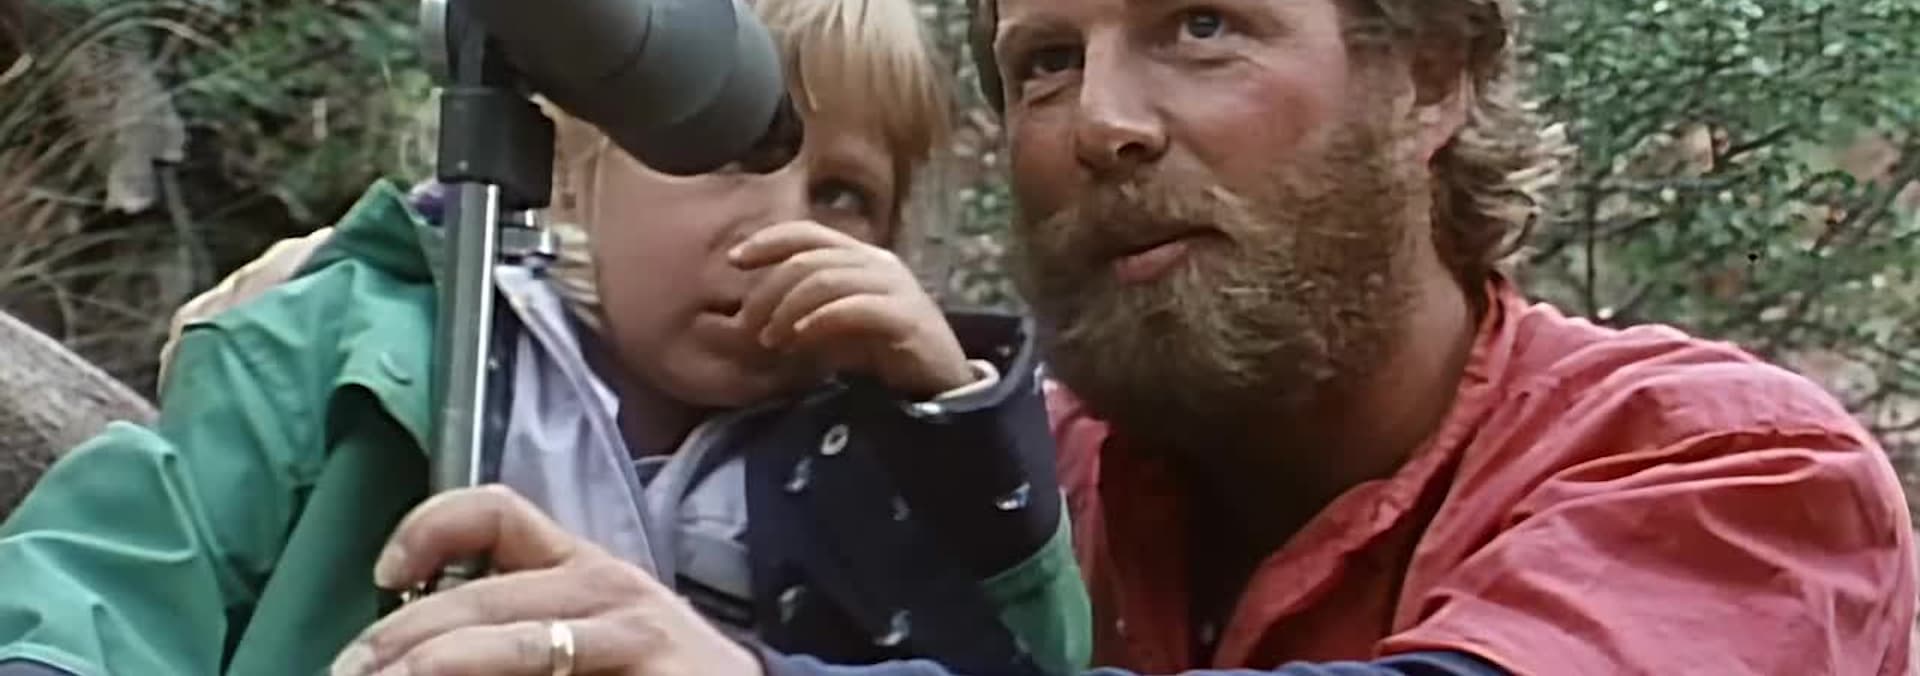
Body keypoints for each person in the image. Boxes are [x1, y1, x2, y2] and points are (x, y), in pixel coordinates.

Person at [298, 0, 1920, 673]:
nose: (1102, 123)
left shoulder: (1726, 473)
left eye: (1203, 24)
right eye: (1047, 62)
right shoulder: (1019, 482)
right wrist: (353, 305)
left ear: (1428, 77)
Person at [0, 0, 1093, 674]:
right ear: (576, 170)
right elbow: (121, 571)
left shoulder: (874, 463)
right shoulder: (358, 341)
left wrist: (952, 434)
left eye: (845, 195)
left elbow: (1031, 660)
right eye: (721, 152)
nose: (780, 226)